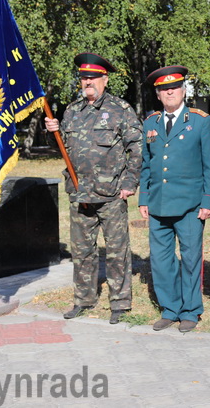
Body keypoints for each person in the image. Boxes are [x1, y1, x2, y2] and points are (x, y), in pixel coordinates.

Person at [45, 52, 142, 325]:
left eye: (93, 78)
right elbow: (64, 149)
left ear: (104, 79)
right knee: (82, 251)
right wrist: (52, 131)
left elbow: (136, 148)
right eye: (84, 77)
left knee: (116, 251)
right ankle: (83, 299)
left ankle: (120, 303)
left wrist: (129, 183)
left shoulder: (120, 109)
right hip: (79, 193)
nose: (87, 82)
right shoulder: (71, 111)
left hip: (111, 194)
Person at [139, 65, 210, 333]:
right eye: (163, 89)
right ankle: (170, 308)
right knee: (160, 260)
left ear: (183, 90)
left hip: (190, 205)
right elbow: (146, 163)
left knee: (191, 259)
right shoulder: (150, 123)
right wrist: (143, 198)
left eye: (174, 87)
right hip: (159, 204)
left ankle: (190, 311)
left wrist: (208, 201)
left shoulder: (200, 121)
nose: (169, 92)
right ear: (158, 95)